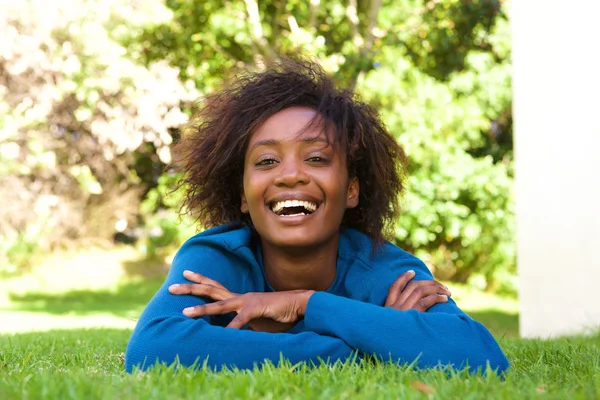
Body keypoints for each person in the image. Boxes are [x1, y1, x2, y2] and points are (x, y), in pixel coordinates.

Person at [125, 59, 509, 374]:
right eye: (267, 161)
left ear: (352, 189)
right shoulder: (217, 257)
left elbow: (481, 358)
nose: (290, 174)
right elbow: (151, 350)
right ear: (242, 195)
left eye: (317, 158)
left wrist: (305, 304)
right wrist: (370, 341)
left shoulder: (385, 270)